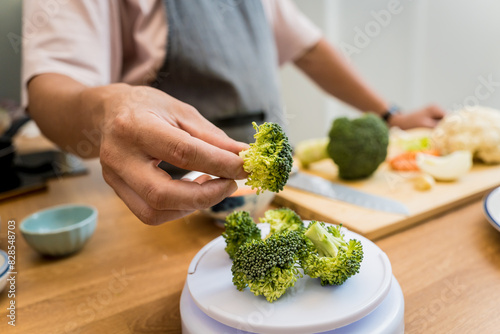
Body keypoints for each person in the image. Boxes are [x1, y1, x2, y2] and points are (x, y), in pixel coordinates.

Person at [23, 0, 445, 225]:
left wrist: (391, 115)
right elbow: (49, 85)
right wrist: (109, 107)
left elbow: (308, 47)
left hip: (276, 202)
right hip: (159, 214)